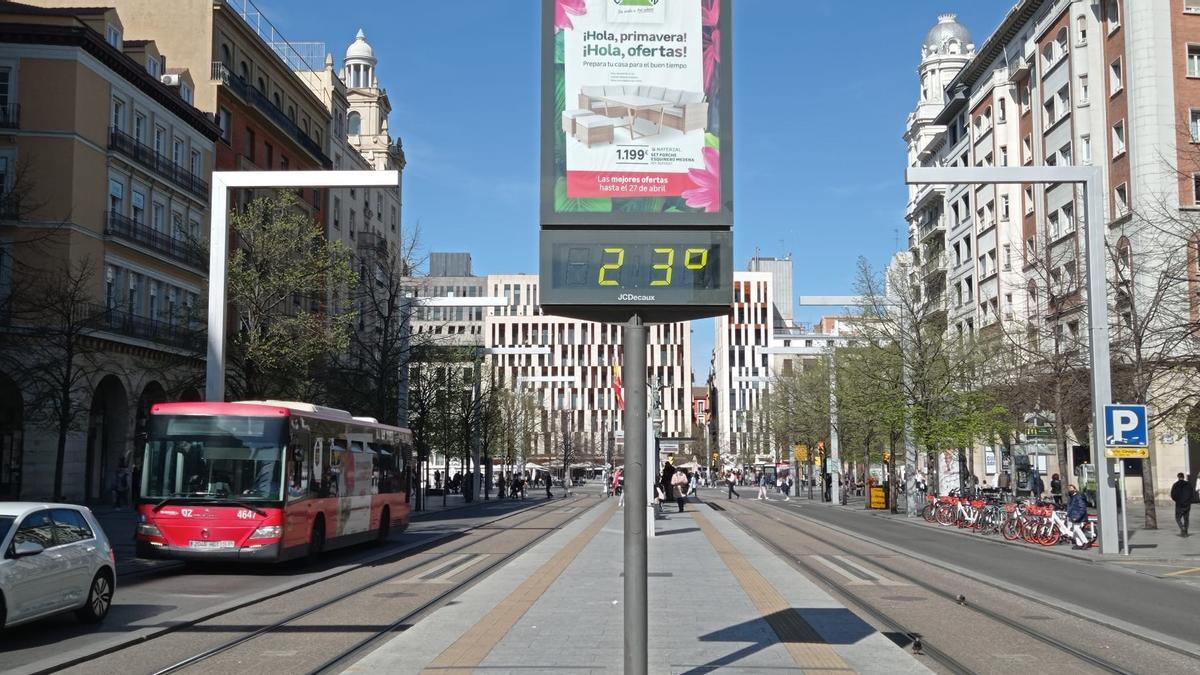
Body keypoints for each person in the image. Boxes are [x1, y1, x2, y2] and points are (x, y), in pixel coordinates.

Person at [1065, 484, 1091, 549]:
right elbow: (1071, 507)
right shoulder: (1071, 497)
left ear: (1075, 489)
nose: (1070, 490)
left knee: (1076, 529)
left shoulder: (1078, 497)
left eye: (1071, 489)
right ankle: (1079, 544)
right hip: (1073, 515)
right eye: (1069, 489)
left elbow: (1082, 507)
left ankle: (1085, 542)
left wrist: (1077, 517)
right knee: (1075, 530)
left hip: (1078, 516)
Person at [1170, 472, 1195, 537]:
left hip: (1179, 504)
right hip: (1187, 504)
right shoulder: (1188, 484)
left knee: (1177, 518)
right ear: (1183, 477)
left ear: (1178, 477)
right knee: (1186, 518)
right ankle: (1185, 532)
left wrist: (1177, 500)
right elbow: (1192, 494)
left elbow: (1173, 495)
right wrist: (1189, 501)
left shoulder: (1175, 485)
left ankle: (1182, 527)